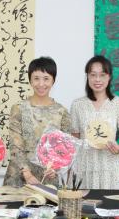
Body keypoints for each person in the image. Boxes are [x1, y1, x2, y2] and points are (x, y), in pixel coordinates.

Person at [4, 56, 73, 186]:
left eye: (46, 78)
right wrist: (27, 173)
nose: (41, 84)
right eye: (36, 78)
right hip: (20, 176)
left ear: (53, 80)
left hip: (48, 177)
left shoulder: (62, 112)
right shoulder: (18, 108)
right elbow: (15, 145)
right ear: (30, 80)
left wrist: (56, 168)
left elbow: (65, 147)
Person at [69, 55, 119, 189]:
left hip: (110, 166)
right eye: (93, 75)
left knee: (110, 201)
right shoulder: (77, 105)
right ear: (87, 76)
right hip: (84, 167)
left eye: (102, 75)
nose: (97, 79)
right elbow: (74, 139)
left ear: (109, 77)